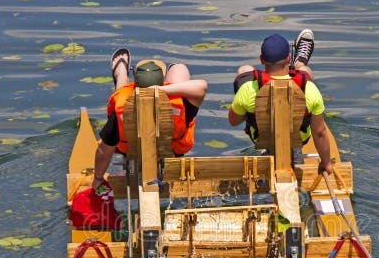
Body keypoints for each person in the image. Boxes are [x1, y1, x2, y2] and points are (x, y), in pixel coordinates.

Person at [92, 48, 208, 196]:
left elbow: (104, 151)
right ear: (163, 83)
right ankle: (170, 71)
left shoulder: (121, 109)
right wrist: (161, 91)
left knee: (121, 94)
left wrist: (98, 178)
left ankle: (121, 74)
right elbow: (202, 86)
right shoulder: (181, 103)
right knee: (180, 69)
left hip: (131, 151)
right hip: (172, 150)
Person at [228, 29, 332, 175]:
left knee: (244, 70)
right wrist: (326, 163)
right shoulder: (310, 90)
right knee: (306, 71)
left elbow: (233, 121)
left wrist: (252, 109)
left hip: (261, 137)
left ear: (262, 60)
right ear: (288, 57)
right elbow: (320, 132)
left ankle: (294, 65)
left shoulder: (247, 89)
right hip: (298, 138)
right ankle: (299, 63)